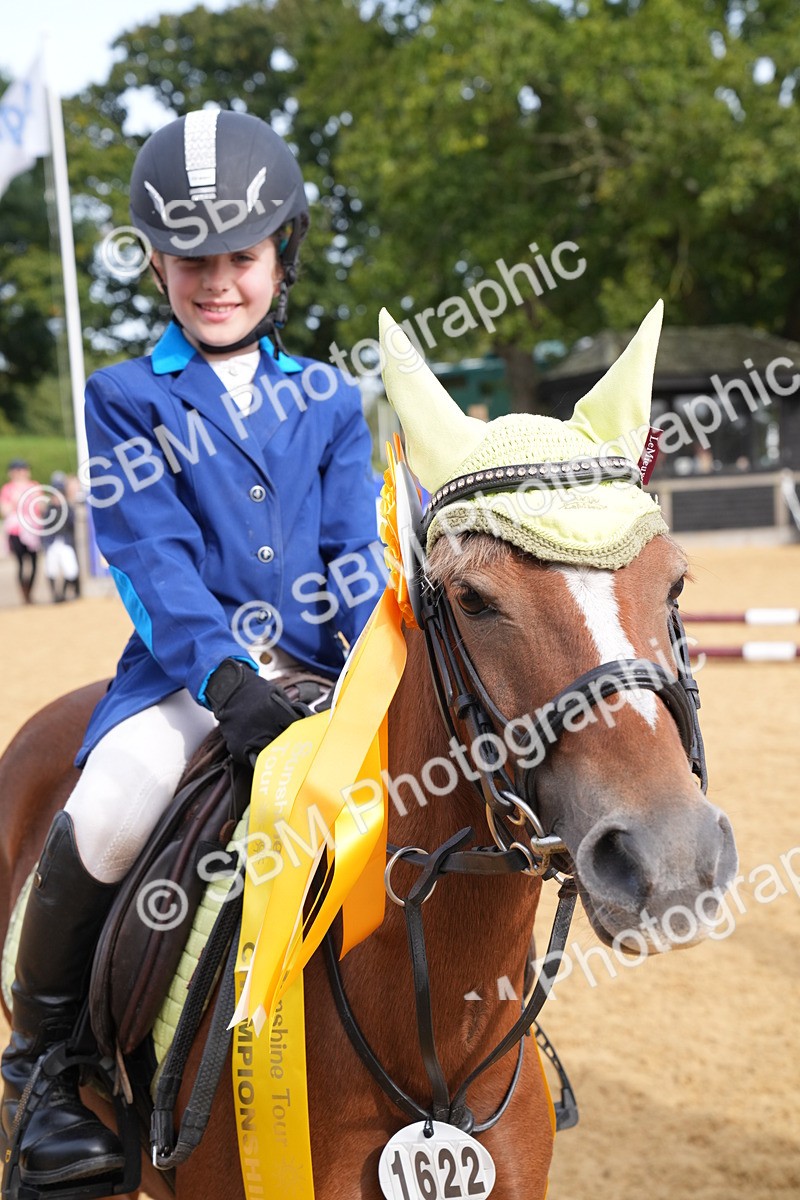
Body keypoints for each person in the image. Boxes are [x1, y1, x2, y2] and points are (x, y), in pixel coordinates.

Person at [1, 109, 384, 1188]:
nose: (218, 280)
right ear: (159, 265)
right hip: (188, 681)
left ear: (279, 259)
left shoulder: (326, 395)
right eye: (192, 259)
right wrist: (223, 678)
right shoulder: (123, 396)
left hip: (322, 673)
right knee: (115, 798)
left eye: (241, 257)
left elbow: (357, 546)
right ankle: (42, 1071)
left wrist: (367, 672)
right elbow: (150, 560)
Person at [0, 459, 42, 604]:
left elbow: (41, 508)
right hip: (16, 531)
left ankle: (29, 591)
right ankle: (24, 594)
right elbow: (4, 510)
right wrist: (15, 501)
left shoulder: (34, 486)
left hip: (33, 529)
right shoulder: (7, 489)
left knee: (35, 563)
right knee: (21, 563)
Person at [41, 472, 81, 603]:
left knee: (71, 570)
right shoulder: (48, 509)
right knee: (51, 570)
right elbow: (45, 528)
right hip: (52, 543)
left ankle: (63, 592)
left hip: (65, 542)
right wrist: (45, 544)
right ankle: (55, 595)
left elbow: (72, 523)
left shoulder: (68, 508)